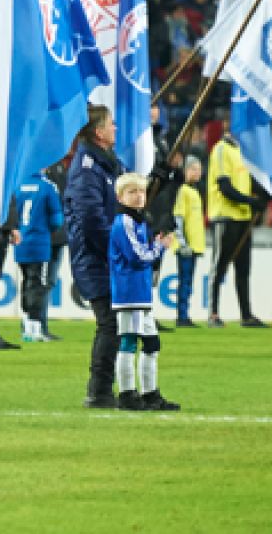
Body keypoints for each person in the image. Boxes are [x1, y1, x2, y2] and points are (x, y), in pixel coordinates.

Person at [65, 105, 125, 409]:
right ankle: (99, 391)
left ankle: (110, 389)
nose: (116, 127)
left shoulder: (106, 164)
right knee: (110, 322)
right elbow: (90, 218)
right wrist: (114, 250)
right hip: (96, 259)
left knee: (115, 322)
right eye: (111, 124)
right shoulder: (88, 168)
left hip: (103, 257)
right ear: (98, 132)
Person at [108, 173, 181, 411]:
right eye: (132, 192)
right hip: (129, 293)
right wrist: (159, 247)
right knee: (129, 342)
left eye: (141, 192)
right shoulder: (123, 223)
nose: (139, 196)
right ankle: (128, 395)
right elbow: (137, 256)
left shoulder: (138, 222)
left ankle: (150, 394)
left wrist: (155, 243)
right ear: (120, 197)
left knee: (152, 343)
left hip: (140, 292)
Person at [205, 134, 267, 327]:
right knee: (219, 267)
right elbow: (224, 187)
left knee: (243, 269)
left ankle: (246, 315)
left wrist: (265, 193)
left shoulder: (244, 153)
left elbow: (249, 183)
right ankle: (213, 314)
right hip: (225, 216)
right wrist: (250, 201)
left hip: (243, 217)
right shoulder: (222, 148)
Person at [11, 169, 64, 343]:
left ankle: (26, 324)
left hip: (21, 243)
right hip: (40, 244)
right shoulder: (47, 186)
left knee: (26, 282)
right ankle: (35, 328)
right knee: (39, 285)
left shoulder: (17, 185)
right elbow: (57, 219)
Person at [171, 156, 207, 328]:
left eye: (199, 169)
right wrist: (182, 242)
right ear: (185, 170)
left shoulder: (195, 191)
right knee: (185, 281)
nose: (197, 172)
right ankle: (182, 315)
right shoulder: (183, 191)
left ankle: (185, 314)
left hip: (194, 245)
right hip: (186, 246)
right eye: (193, 168)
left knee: (188, 281)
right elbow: (178, 217)